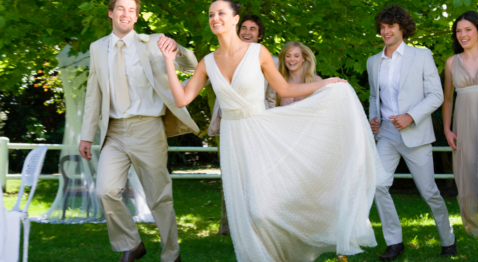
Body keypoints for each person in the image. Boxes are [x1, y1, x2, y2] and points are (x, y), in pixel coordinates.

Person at [158, 0, 388, 260]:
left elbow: (285, 89)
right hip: (233, 137)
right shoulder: (208, 61)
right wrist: (169, 61)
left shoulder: (257, 52)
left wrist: (326, 84)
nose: (215, 18)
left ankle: (296, 247)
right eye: (211, 14)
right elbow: (182, 99)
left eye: (221, 13)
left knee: (263, 209)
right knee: (245, 210)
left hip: (260, 131)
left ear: (235, 19)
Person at [78, 0, 199, 261]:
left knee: (159, 197)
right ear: (111, 13)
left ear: (136, 15)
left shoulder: (152, 42)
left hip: (148, 128)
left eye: (131, 10)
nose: (126, 14)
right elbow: (93, 94)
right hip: (115, 132)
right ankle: (131, 243)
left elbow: (192, 65)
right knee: (105, 191)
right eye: (121, 8)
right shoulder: (97, 48)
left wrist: (177, 49)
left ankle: (171, 255)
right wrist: (87, 135)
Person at [367, 4, 456, 260]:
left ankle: (448, 239)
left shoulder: (421, 56)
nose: (386, 32)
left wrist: (411, 116)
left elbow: (436, 95)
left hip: (415, 134)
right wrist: (374, 118)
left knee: (429, 191)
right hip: (386, 134)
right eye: (382, 27)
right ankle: (394, 242)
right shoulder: (374, 61)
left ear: (402, 28)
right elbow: (375, 96)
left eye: (391, 27)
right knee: (377, 184)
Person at [442, 11, 478, 262]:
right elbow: (447, 99)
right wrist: (446, 129)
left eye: (467, 29)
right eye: (458, 31)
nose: (462, 35)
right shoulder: (451, 63)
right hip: (465, 128)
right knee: (476, 186)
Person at [208, 14, 278, 136]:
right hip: (227, 120)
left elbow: (271, 97)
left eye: (253, 29)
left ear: (260, 36)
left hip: (257, 120)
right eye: (244, 28)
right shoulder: (222, 57)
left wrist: (269, 124)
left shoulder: (273, 61)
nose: (247, 32)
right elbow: (200, 80)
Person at [277, 41, 322, 106]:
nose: (292, 59)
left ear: (303, 58)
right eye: (288, 56)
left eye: (296, 56)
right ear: (284, 59)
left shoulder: (316, 80)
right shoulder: (280, 82)